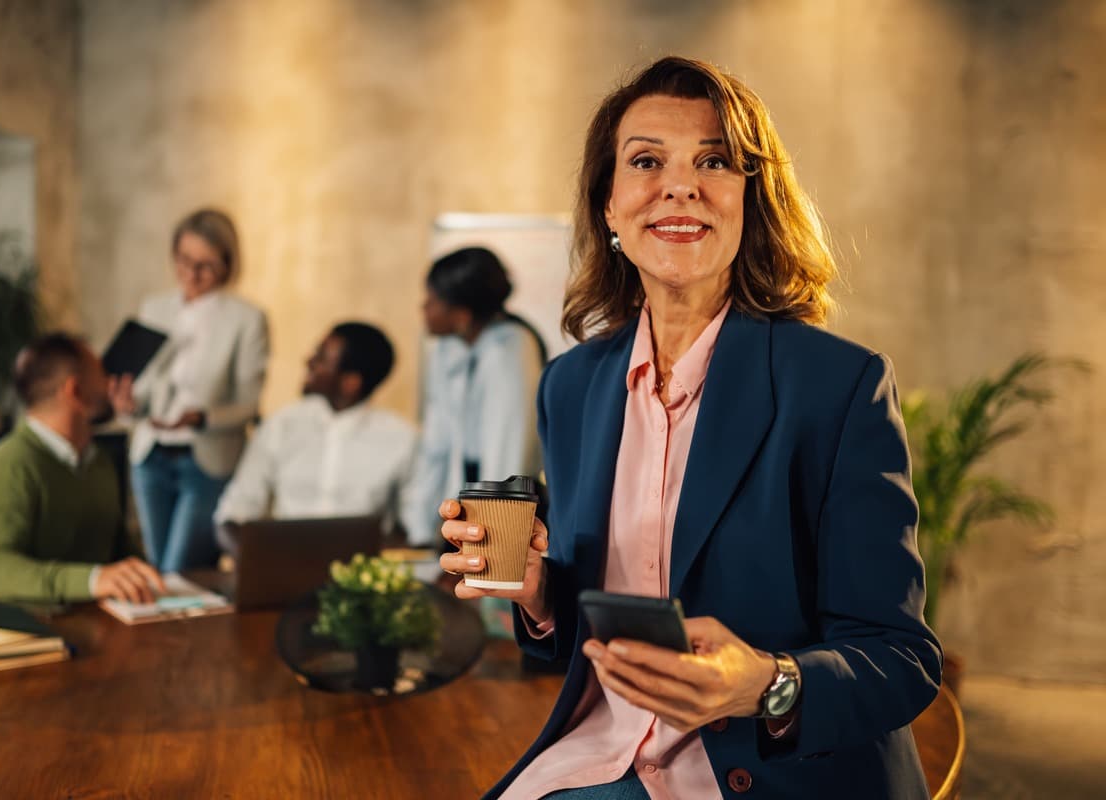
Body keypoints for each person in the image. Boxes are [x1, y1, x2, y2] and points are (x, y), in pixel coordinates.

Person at [438, 57, 942, 799]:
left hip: (772, 777)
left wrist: (766, 685)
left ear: (750, 200)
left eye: (715, 161)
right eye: (646, 161)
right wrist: (541, 597)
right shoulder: (571, 387)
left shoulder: (840, 386)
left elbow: (902, 660)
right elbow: (592, 640)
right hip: (600, 757)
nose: (680, 184)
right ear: (609, 206)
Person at [109, 208, 269, 573]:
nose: (191, 274)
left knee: (180, 570)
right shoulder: (156, 308)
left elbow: (248, 404)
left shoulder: (246, 319)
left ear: (228, 265)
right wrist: (127, 405)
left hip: (206, 460)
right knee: (156, 567)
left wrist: (201, 418)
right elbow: (143, 392)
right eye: (184, 260)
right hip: (151, 454)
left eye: (205, 265)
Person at [0, 333, 165, 605]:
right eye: (101, 374)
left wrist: (143, 576)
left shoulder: (99, 462)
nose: (110, 383)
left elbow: (116, 552)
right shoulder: (8, 466)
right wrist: (93, 580)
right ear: (75, 391)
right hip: (27, 636)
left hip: (101, 628)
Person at [213, 322, 417, 551]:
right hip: (283, 567)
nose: (308, 362)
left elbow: (416, 531)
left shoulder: (401, 439)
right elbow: (231, 516)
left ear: (351, 383)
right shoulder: (281, 425)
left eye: (321, 358)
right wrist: (256, 564)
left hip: (361, 578)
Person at [403, 246, 547, 547]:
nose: (424, 308)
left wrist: (486, 543)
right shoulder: (449, 348)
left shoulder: (509, 350)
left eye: (433, 300)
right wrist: (420, 530)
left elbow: (507, 456)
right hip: (461, 511)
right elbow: (437, 444)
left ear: (460, 312)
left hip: (501, 519)